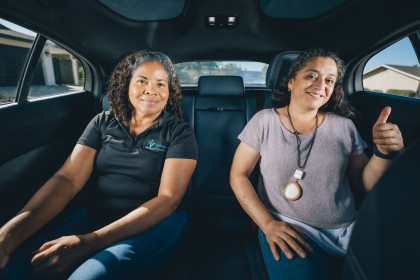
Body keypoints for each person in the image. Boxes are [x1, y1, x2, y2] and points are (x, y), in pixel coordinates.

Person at [0, 50, 198, 280]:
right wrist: (8, 235)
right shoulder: (102, 122)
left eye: (161, 84)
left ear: (169, 91)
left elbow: (168, 199)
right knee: (16, 270)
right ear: (126, 84)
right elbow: (67, 179)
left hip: (157, 222)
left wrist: (91, 241)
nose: (151, 90)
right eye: (142, 81)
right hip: (97, 215)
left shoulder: (179, 132)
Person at [229, 49, 404, 279]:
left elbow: (363, 183)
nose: (321, 84)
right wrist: (268, 224)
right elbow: (238, 175)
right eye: (311, 76)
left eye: (329, 80)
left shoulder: (344, 127)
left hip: (349, 229)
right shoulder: (264, 121)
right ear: (291, 82)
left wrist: (383, 153)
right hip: (288, 227)